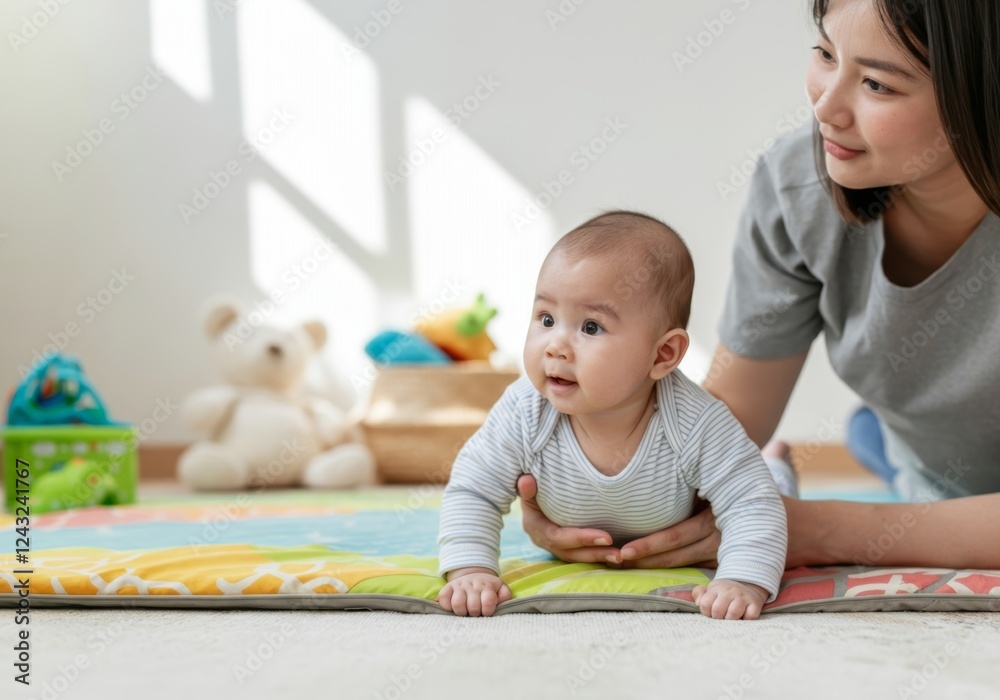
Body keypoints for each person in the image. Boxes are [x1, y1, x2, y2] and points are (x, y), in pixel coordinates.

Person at [516, 0, 1000, 573]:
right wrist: (584, 496)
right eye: (824, 53)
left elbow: (816, 528)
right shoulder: (799, 184)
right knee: (882, 441)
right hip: (932, 464)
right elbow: (722, 427)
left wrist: (819, 528)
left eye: (876, 83)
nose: (826, 107)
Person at [436, 211, 788, 620]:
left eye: (590, 327)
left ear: (663, 354)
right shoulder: (523, 410)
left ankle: (777, 463)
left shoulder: (697, 423)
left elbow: (750, 501)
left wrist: (742, 580)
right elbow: (472, 490)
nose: (556, 347)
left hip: (702, 509)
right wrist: (471, 569)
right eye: (546, 319)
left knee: (772, 485)